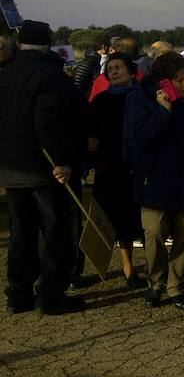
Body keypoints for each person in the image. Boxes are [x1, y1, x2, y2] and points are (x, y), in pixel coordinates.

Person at [0, 20, 88, 315]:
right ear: (47, 43)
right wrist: (61, 161)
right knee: (55, 231)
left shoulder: (6, 73)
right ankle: (50, 295)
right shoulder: (51, 76)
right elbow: (47, 123)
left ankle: (18, 293)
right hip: (45, 168)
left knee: (21, 231)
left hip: (12, 168)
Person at [124, 51, 184, 309]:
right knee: (154, 235)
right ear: (163, 83)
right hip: (155, 181)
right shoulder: (140, 99)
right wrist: (163, 112)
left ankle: (175, 286)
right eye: (179, 80)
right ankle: (155, 283)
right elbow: (139, 139)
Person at [87, 53, 144, 288]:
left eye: (119, 67)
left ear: (131, 72)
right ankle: (126, 266)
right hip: (109, 168)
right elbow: (90, 128)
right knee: (113, 219)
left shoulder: (143, 98)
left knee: (136, 219)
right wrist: (92, 143)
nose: (114, 71)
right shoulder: (101, 100)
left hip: (138, 168)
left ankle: (145, 265)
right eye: (110, 68)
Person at [73, 32, 112, 97]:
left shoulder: (106, 60)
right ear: (104, 46)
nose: (112, 49)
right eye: (110, 45)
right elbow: (77, 86)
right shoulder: (89, 63)